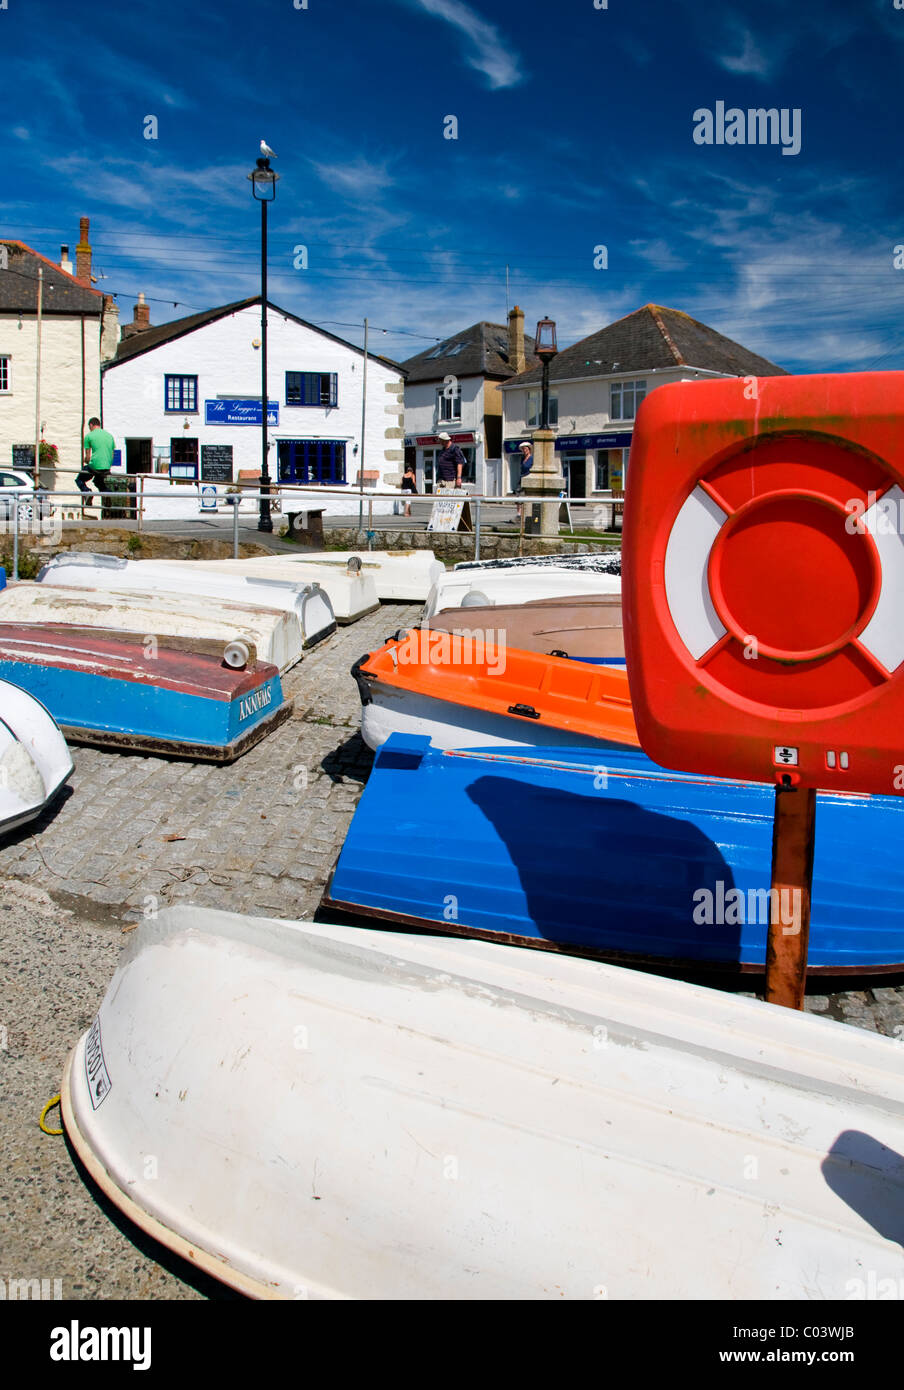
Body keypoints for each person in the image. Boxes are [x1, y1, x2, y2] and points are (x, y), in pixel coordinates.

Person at [78, 417, 115, 507]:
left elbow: (87, 457)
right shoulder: (109, 435)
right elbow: (113, 454)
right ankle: (107, 494)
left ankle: (87, 493)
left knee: (79, 480)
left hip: (95, 466)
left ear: (91, 425)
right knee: (98, 482)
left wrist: (85, 461)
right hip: (107, 467)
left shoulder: (89, 436)